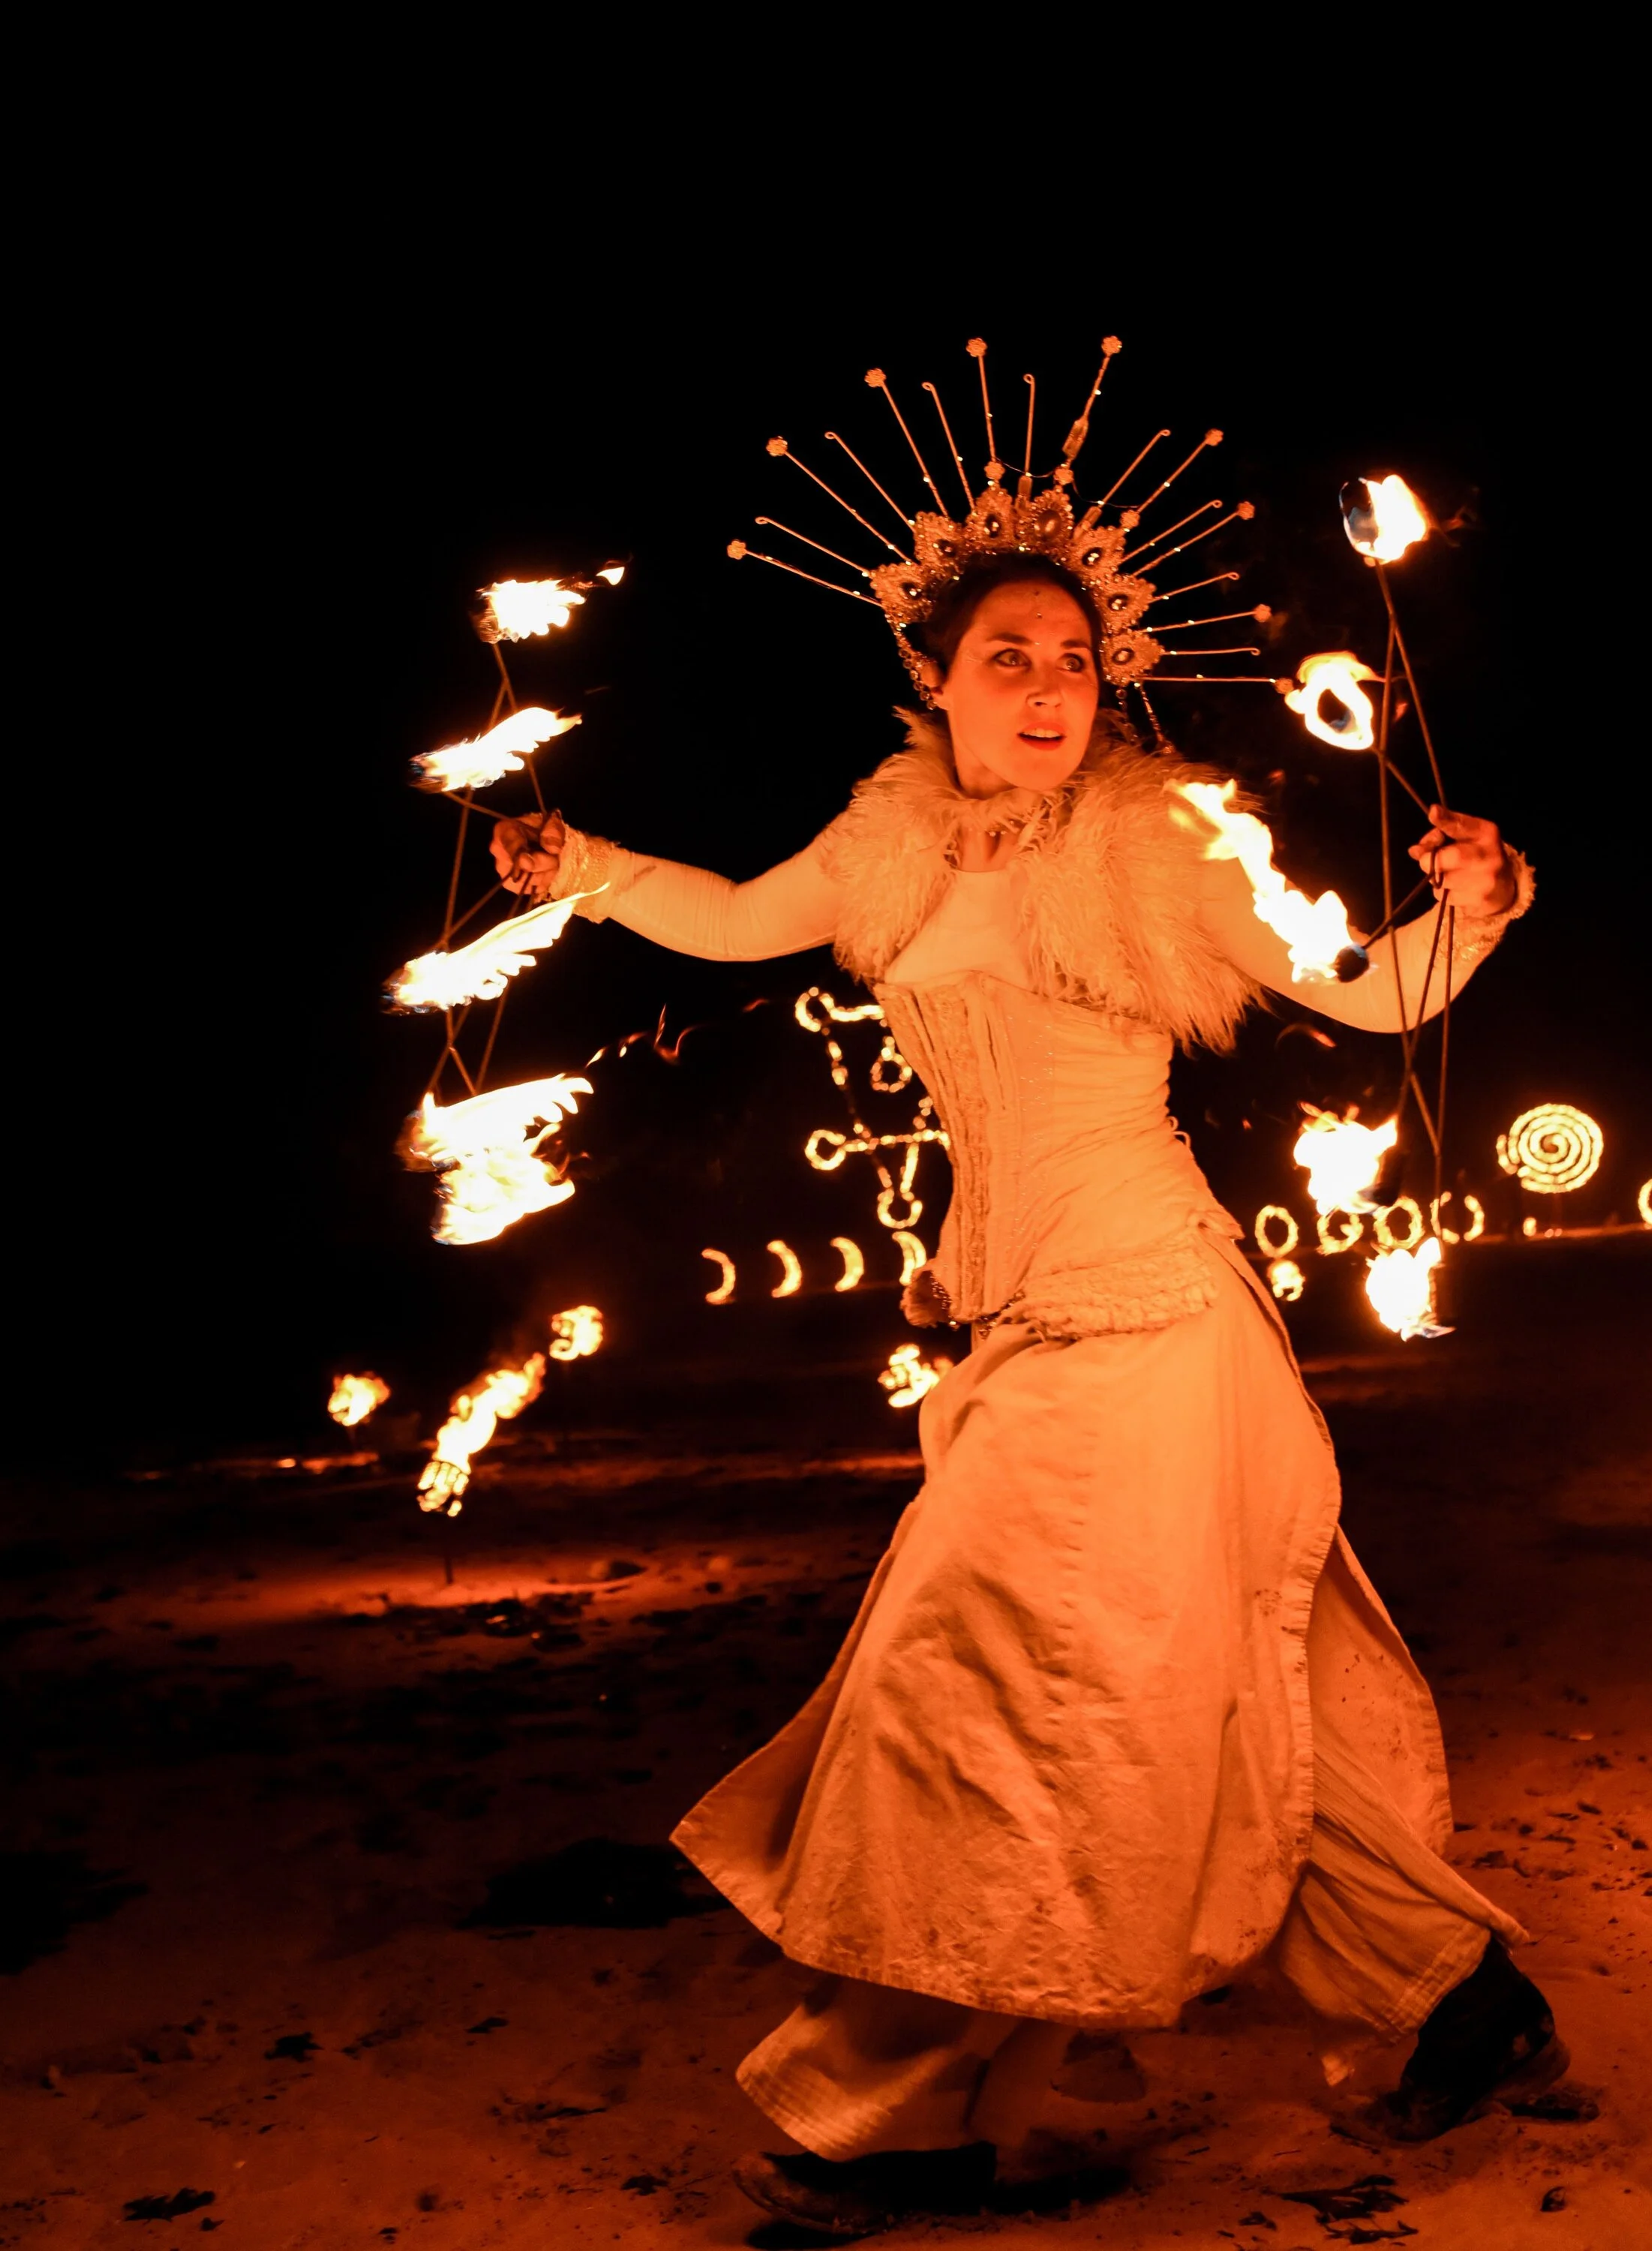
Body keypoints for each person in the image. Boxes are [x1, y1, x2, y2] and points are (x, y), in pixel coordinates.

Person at [493, 547, 1559, 2241]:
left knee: (972, 1694)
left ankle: (890, 2115)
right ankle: (1458, 2002)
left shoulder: (1157, 846)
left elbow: (1370, 991)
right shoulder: (890, 840)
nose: (1049, 686)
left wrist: (1469, 907)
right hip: (1016, 1331)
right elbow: (738, 917)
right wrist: (586, 868)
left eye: (1072, 656)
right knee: (1193, 1703)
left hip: (1154, 1324)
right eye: (1007, 655)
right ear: (934, 680)